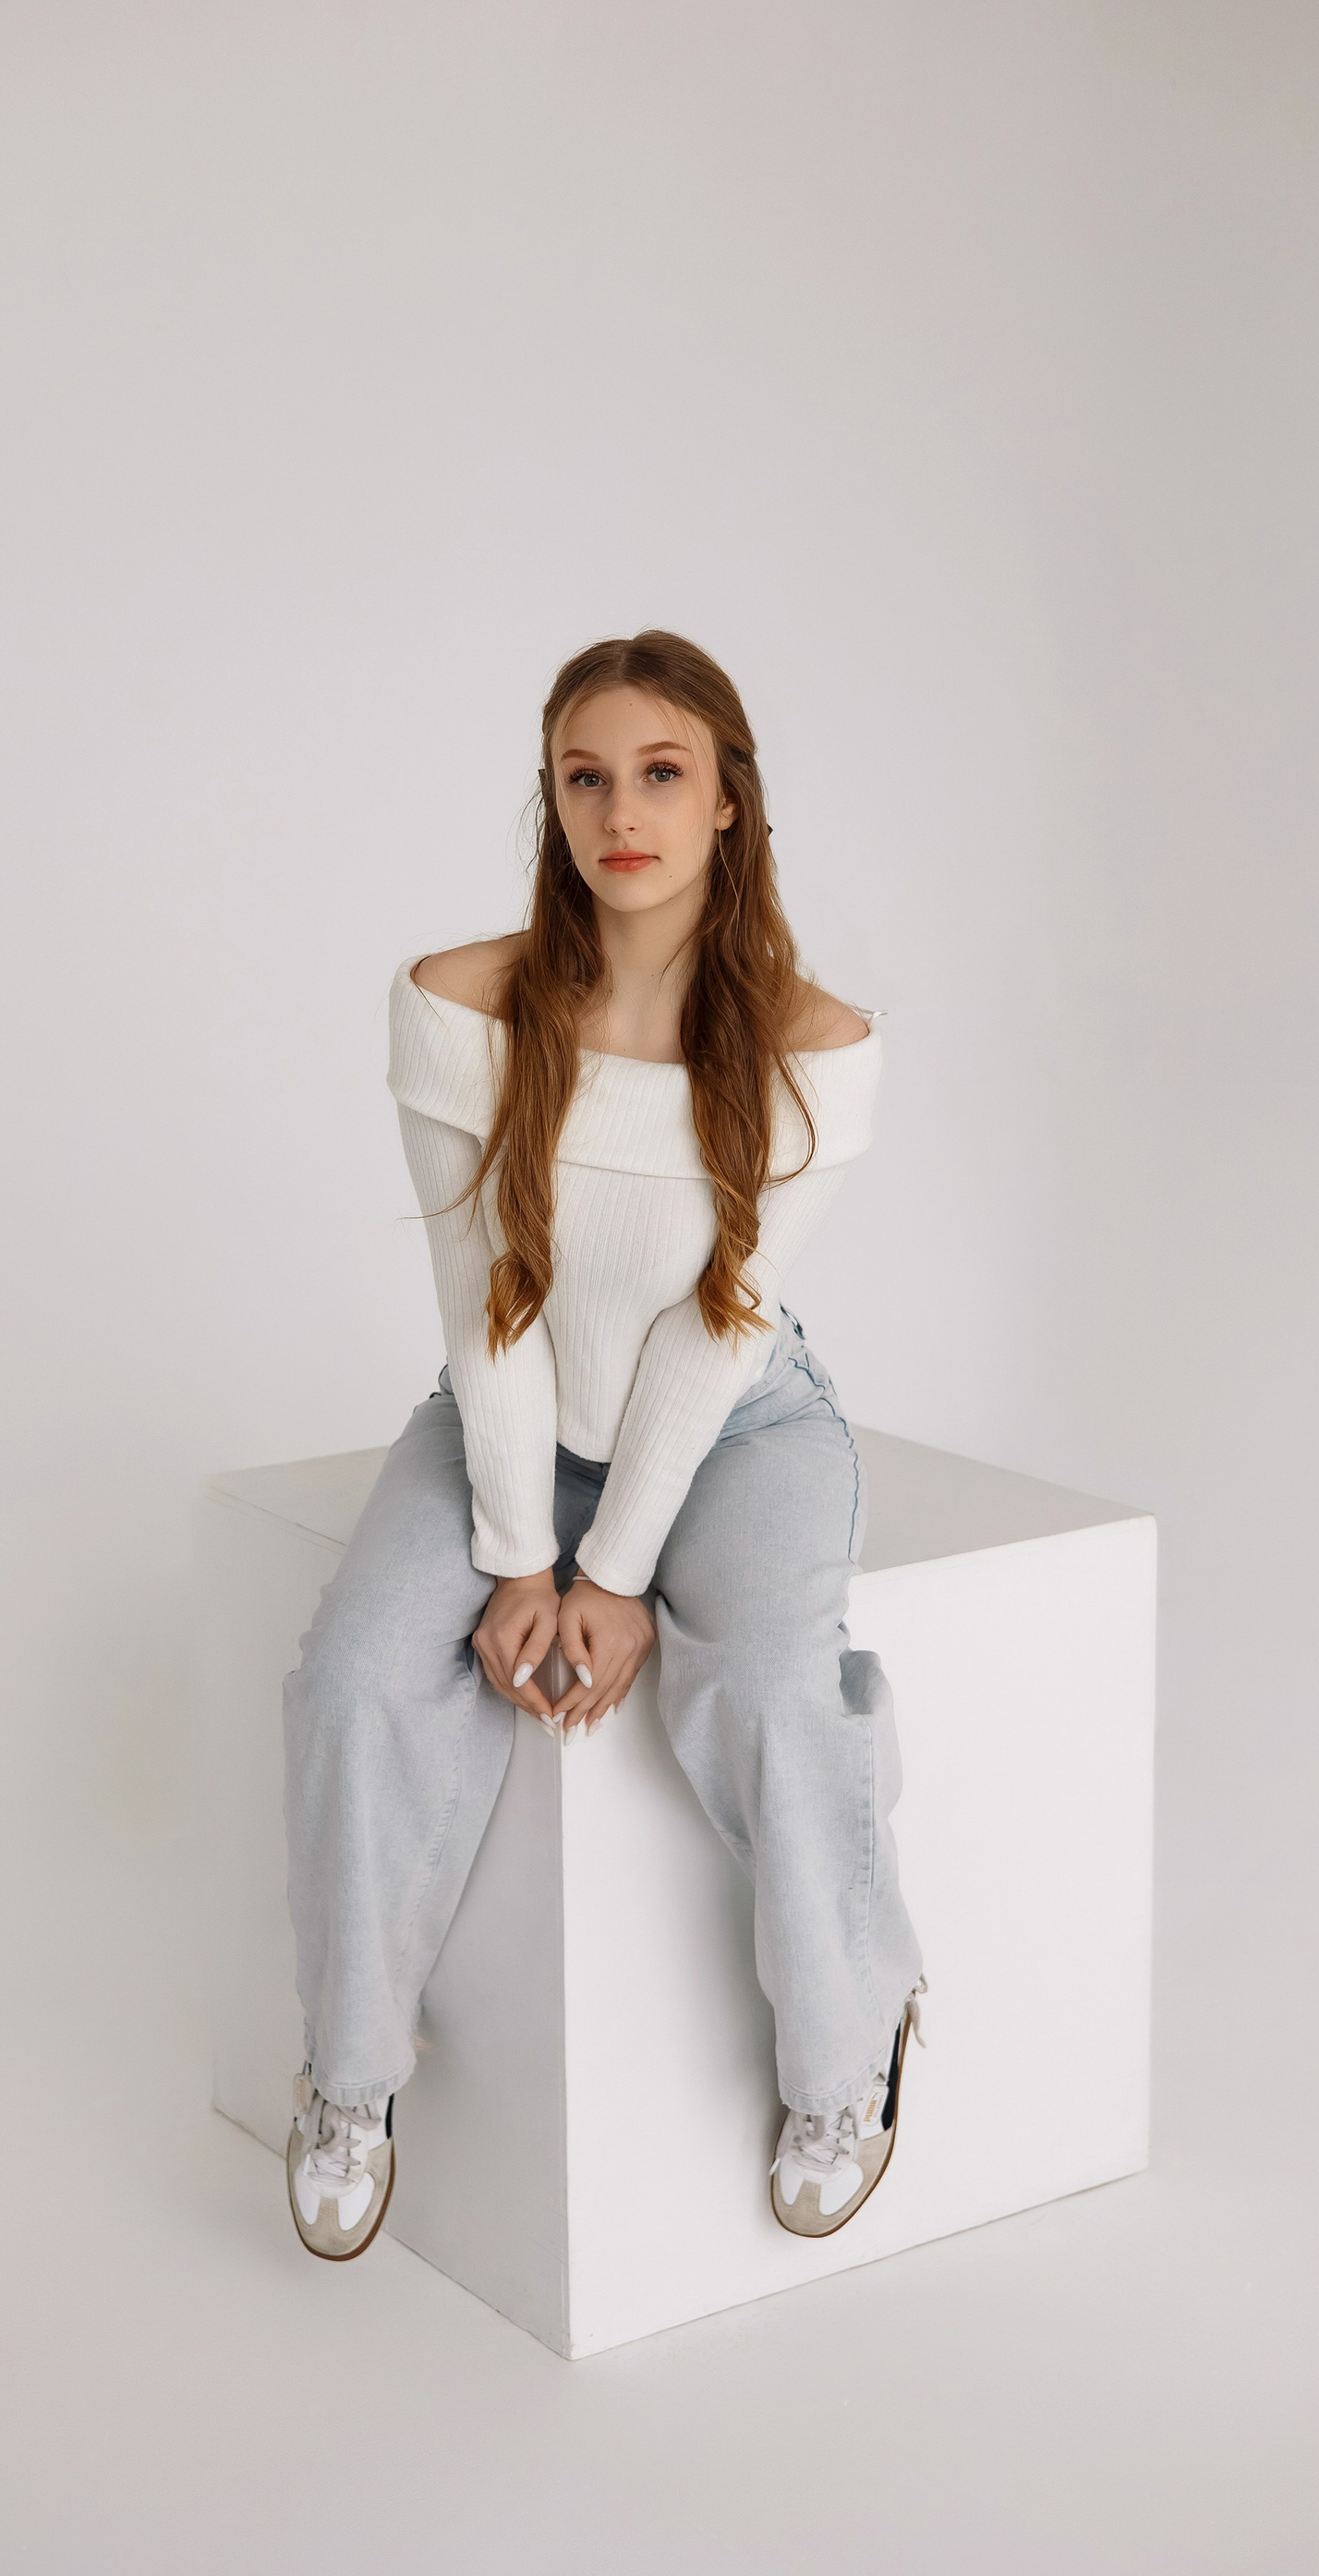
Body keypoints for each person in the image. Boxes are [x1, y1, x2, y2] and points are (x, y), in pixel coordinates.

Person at [282, 628, 925, 2262]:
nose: (619, 812)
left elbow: (720, 1327)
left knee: (768, 1684)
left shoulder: (817, 1043)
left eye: (660, 773)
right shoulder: (460, 1004)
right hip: (506, 1410)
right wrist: (521, 1553)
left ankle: (850, 2049)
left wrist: (616, 1574)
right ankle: (352, 2077)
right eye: (584, 776)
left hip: (740, 1423)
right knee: (356, 1675)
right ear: (551, 798)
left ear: (728, 801)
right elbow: (481, 1303)